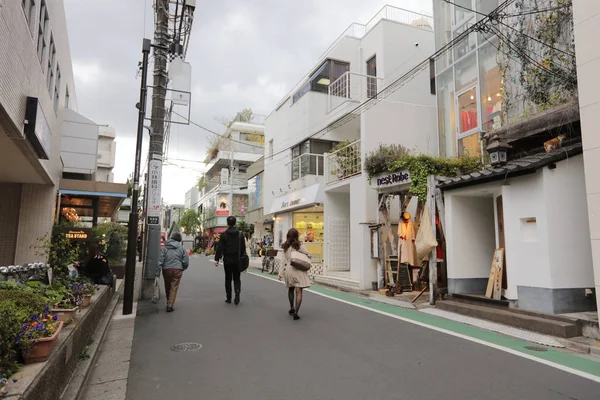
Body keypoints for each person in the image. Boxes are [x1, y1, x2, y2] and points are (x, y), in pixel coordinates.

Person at [278, 228, 311, 321]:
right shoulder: (300, 245)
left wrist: (280, 273)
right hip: (299, 269)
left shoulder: (286, 246)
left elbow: (282, 261)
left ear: (288, 236)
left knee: (291, 289)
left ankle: (291, 307)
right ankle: (296, 312)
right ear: (297, 236)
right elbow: (307, 254)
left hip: (289, 269)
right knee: (299, 291)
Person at [215, 216, 247, 305]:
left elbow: (220, 247)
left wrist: (217, 259)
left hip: (228, 260)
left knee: (228, 279)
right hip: (237, 259)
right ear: (235, 223)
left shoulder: (224, 235)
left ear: (227, 223)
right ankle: (237, 295)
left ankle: (228, 298)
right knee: (237, 278)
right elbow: (243, 248)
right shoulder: (240, 234)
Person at [158, 232, 189, 312]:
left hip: (166, 269)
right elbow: (185, 260)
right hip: (177, 269)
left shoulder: (165, 247)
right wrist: (183, 268)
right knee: (174, 287)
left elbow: (160, 259)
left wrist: (157, 271)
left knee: (167, 286)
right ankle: (170, 304)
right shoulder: (181, 248)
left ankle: (169, 301)